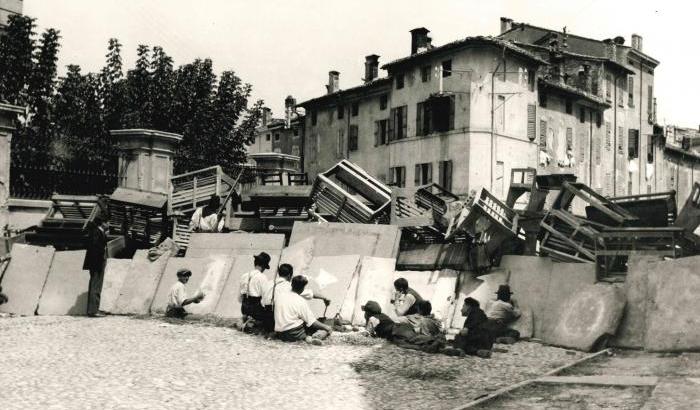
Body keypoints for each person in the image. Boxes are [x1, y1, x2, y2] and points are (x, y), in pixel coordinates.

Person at [260, 263, 330, 333]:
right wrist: (324, 298)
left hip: (265, 318)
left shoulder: (268, 283)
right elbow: (310, 293)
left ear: (279, 273)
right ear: (290, 275)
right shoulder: (289, 286)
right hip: (276, 320)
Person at [274, 276, 333, 344]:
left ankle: (307, 337)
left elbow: (311, 293)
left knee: (299, 320)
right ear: (303, 288)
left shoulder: (280, 296)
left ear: (291, 284)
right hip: (294, 334)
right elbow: (312, 322)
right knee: (323, 329)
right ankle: (310, 339)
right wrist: (327, 327)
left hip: (280, 333)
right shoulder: (300, 301)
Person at [83, 216, 109, 317]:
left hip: (96, 262)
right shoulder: (97, 232)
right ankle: (94, 311)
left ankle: (93, 309)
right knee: (96, 286)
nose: (109, 224)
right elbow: (95, 248)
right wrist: (99, 262)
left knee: (95, 285)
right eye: (107, 222)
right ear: (102, 223)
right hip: (97, 263)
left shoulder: (97, 232)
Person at [239, 252, 271, 324]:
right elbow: (265, 298)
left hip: (244, 308)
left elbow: (239, 298)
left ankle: (246, 318)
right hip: (255, 309)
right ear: (263, 266)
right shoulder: (262, 277)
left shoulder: (244, 275)